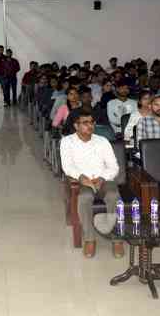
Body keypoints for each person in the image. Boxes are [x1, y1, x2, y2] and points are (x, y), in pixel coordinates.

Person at [59, 109, 122, 258]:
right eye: (85, 123)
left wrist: (101, 178)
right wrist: (81, 178)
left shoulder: (102, 141)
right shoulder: (67, 142)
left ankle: (117, 239)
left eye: (92, 122)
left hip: (104, 179)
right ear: (76, 126)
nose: (90, 126)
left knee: (114, 196)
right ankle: (89, 239)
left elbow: (114, 166)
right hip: (82, 181)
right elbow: (67, 166)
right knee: (84, 198)